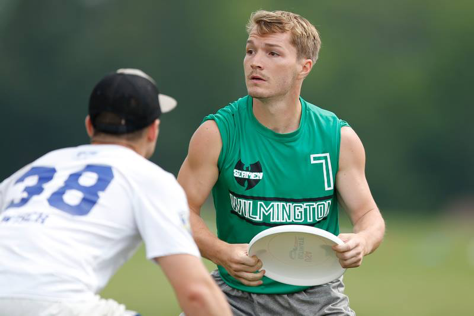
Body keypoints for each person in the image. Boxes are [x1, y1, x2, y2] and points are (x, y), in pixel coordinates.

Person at [178, 10, 386, 316]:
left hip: (319, 298)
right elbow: (177, 212)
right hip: (235, 295)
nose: (255, 62)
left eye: (273, 53)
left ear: (304, 67)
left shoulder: (338, 138)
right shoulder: (216, 133)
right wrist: (221, 252)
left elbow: (370, 216)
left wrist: (363, 241)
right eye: (250, 51)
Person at [0, 69, 232, 316]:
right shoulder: (149, 178)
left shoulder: (36, 167)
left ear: (90, 125)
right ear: (153, 130)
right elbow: (196, 293)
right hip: (56, 303)